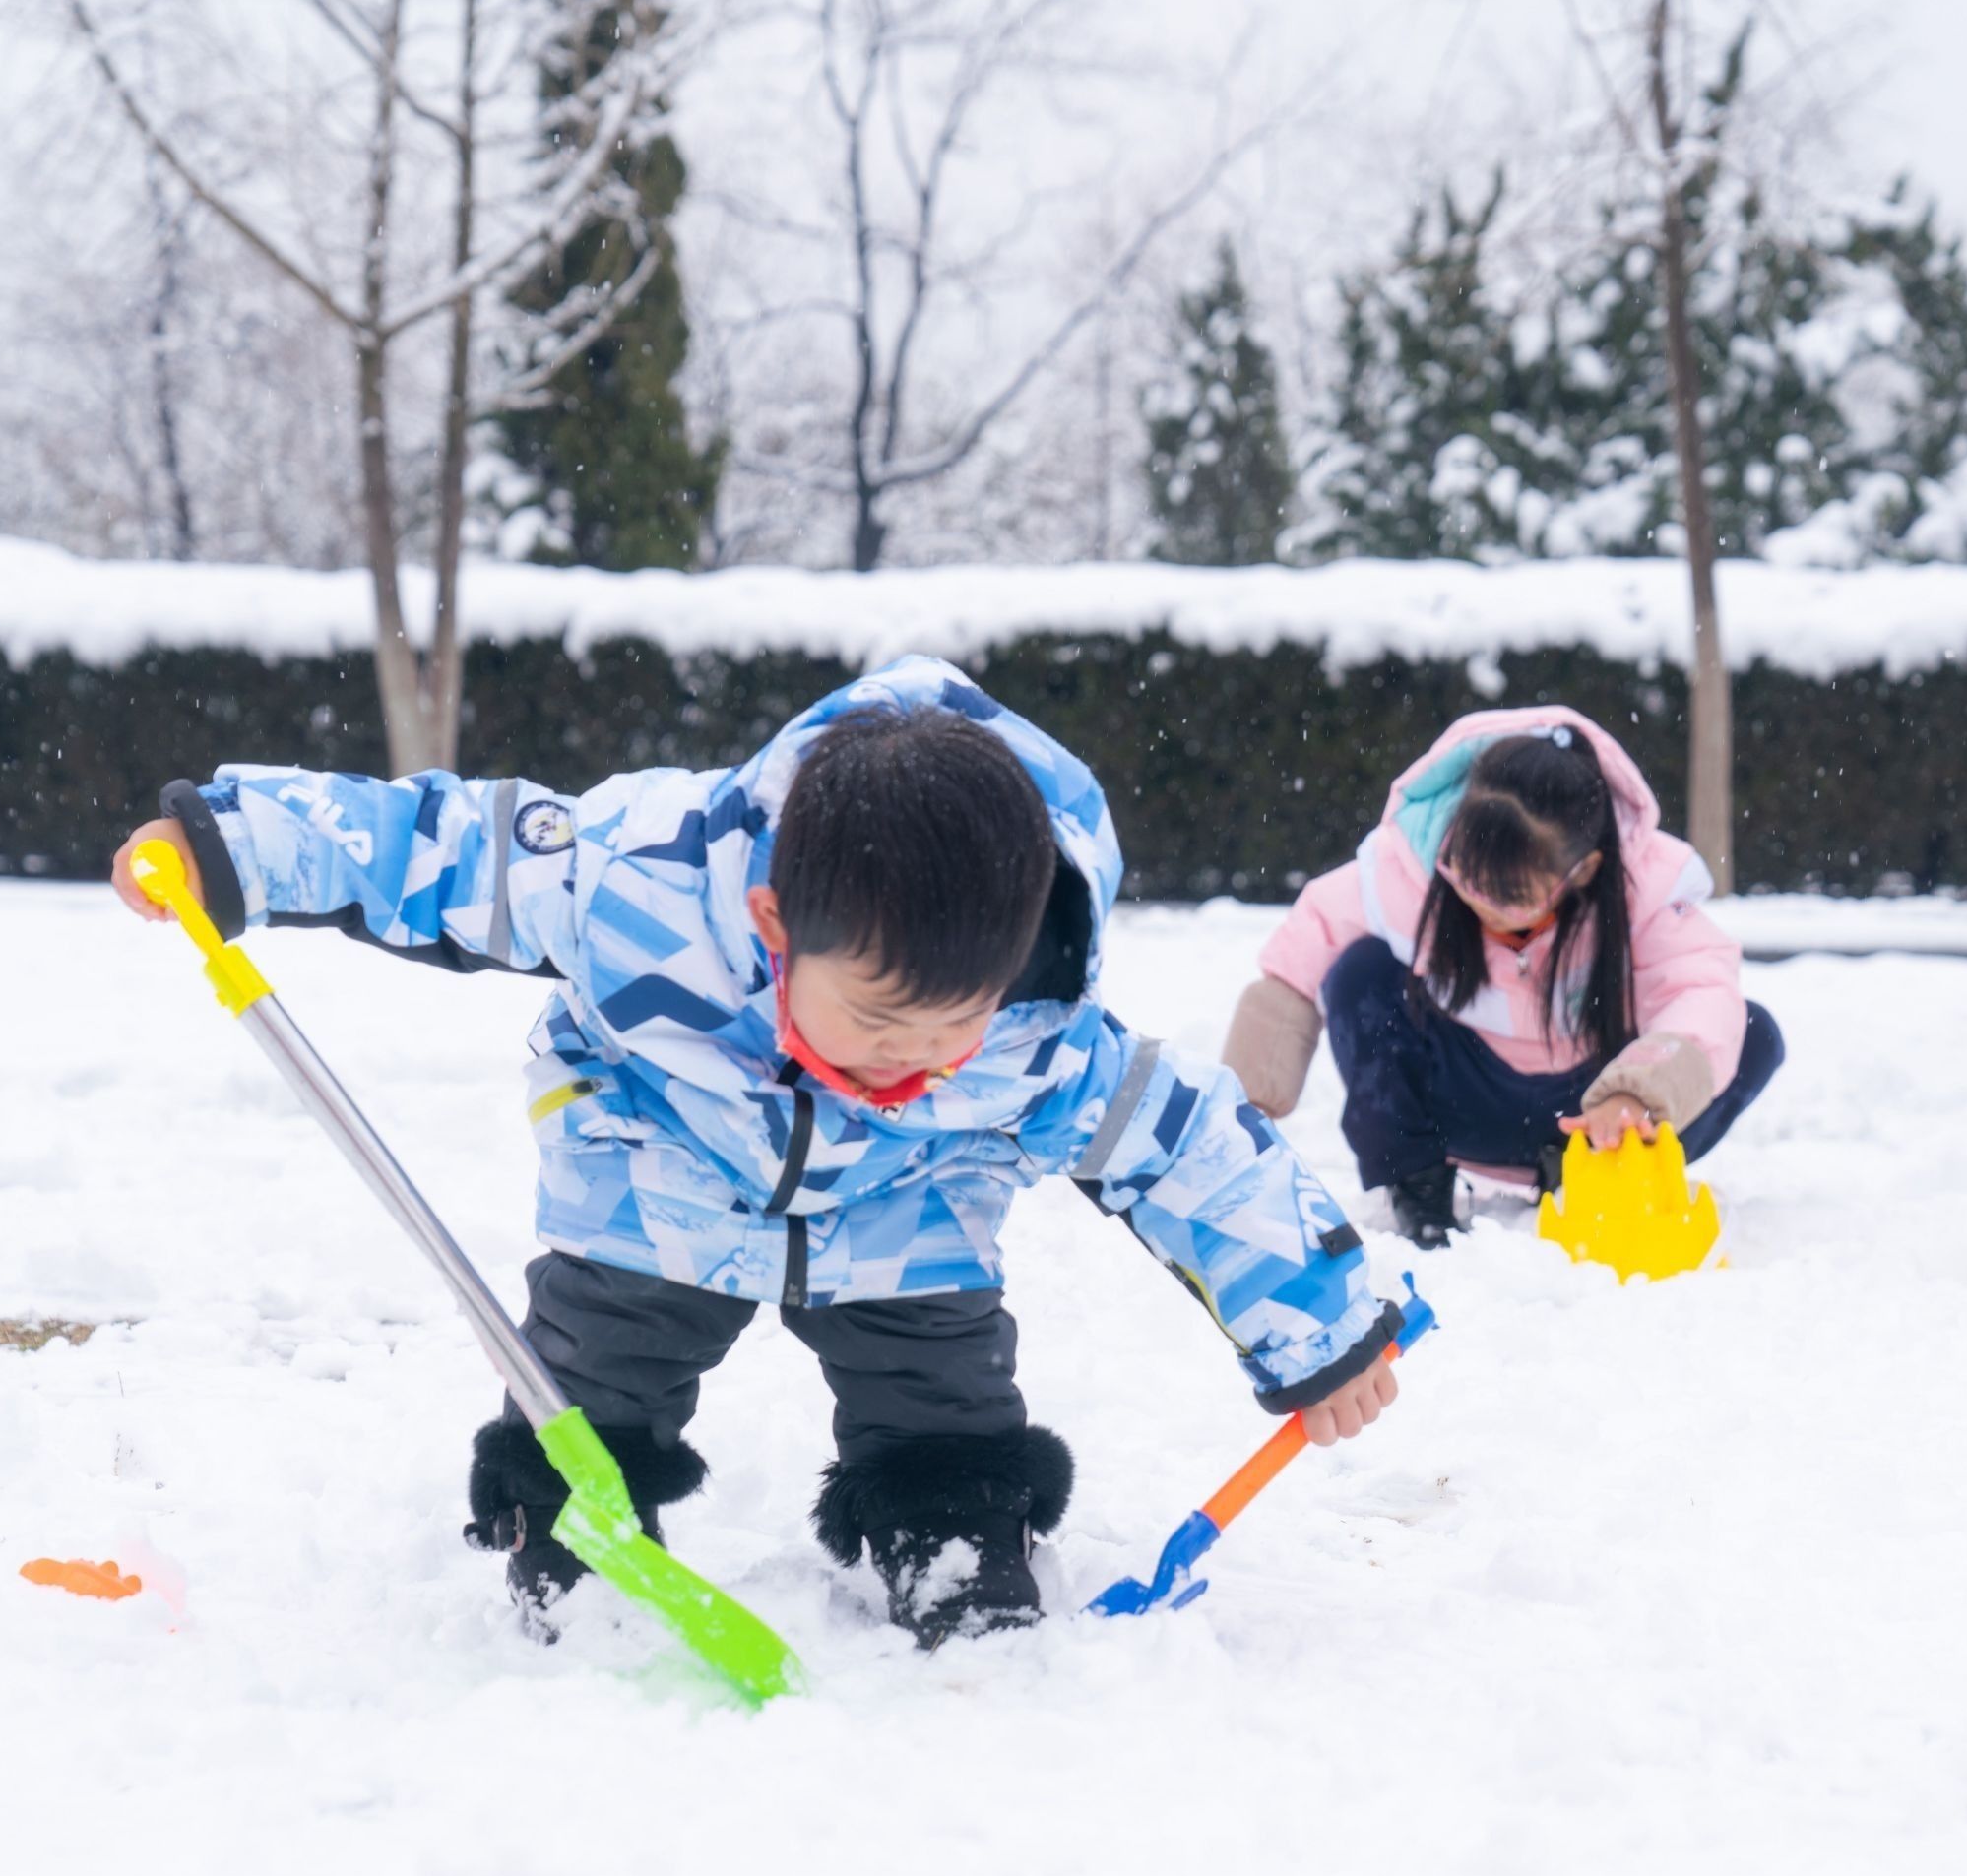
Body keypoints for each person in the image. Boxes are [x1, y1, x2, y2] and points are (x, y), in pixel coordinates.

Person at [110, 657, 1402, 1648]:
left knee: (939, 1390)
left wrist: (1324, 1327)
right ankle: (564, 1518)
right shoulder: (640, 881)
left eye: (962, 1024)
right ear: (776, 919)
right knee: (597, 1359)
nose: (922, 1058)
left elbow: (1190, 1150)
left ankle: (948, 1528)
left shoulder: (1035, 1025)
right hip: (660, 1158)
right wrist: (232, 848)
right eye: (886, 1020)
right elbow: (442, 848)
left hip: (908, 1203)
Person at [1220, 708, 1784, 1249]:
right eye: (1466, 875)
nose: (1481, 902)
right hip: (1462, 1096)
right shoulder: (1405, 873)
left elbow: (1698, 991)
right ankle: (1416, 1186)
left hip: (1593, 1111)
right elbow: (1294, 971)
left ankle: (1593, 1175)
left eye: (1512, 893)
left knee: (1748, 1031)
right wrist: (1243, 1105)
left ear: (1583, 869)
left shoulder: (1646, 893)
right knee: (1358, 973)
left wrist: (1636, 1093)